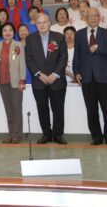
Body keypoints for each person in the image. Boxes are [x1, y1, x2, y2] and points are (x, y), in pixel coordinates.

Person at [73, 8, 107, 146]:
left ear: (99, 17)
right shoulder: (79, 34)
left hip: (104, 77)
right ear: (85, 18)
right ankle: (96, 137)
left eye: (95, 15)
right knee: (91, 110)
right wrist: (76, 72)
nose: (93, 18)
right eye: (90, 16)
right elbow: (77, 55)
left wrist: (99, 48)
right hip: (86, 77)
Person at [25, 13, 68, 144]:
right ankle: (46, 134)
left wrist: (55, 74)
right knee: (42, 108)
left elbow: (63, 58)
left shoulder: (59, 37)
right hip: (39, 81)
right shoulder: (30, 38)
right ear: (36, 25)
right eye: (39, 23)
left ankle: (58, 135)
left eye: (44, 22)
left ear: (49, 23)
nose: (42, 25)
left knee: (58, 109)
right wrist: (39, 74)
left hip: (57, 80)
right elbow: (29, 58)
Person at [0, 22, 26, 144]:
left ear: (13, 32)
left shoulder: (18, 45)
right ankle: (11, 134)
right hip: (2, 81)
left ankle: (17, 135)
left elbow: (22, 63)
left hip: (16, 82)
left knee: (17, 109)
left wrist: (22, 80)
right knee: (8, 110)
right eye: (5, 30)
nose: (8, 32)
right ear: (1, 33)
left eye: (10, 30)